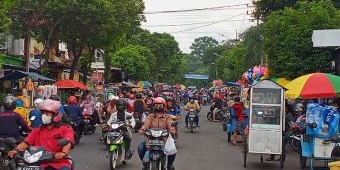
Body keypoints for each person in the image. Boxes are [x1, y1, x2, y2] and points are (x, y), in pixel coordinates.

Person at [8, 99, 74, 170]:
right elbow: (26, 142)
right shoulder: (37, 130)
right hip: (39, 163)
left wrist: (63, 153)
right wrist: (15, 150)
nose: (44, 115)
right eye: (43, 113)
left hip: (59, 163)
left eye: (47, 113)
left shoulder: (66, 128)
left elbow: (68, 143)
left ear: (56, 114)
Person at [138, 97, 177, 170]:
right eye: (156, 105)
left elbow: (170, 124)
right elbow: (146, 124)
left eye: (160, 105)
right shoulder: (150, 116)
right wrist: (143, 129)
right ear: (154, 106)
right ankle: (145, 164)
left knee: (172, 149)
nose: (158, 107)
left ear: (164, 106)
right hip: (151, 139)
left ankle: (169, 165)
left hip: (164, 139)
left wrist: (172, 129)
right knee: (140, 147)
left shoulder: (167, 117)